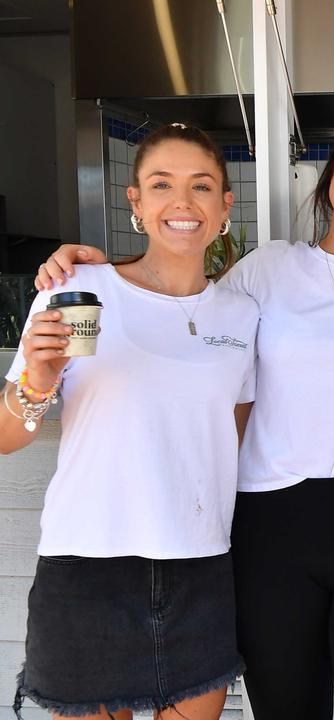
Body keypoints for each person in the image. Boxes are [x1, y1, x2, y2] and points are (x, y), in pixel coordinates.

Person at [37, 110, 334, 719]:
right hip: (271, 527)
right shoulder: (265, 270)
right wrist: (83, 273)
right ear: (331, 175)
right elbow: (181, 308)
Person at [4, 123, 257, 719]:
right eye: (161, 184)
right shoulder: (77, 291)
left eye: (200, 186)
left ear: (225, 204)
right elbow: (6, 435)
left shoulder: (242, 314)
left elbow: (231, 439)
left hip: (199, 564)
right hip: (89, 563)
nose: (182, 202)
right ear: (135, 201)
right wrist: (38, 382)